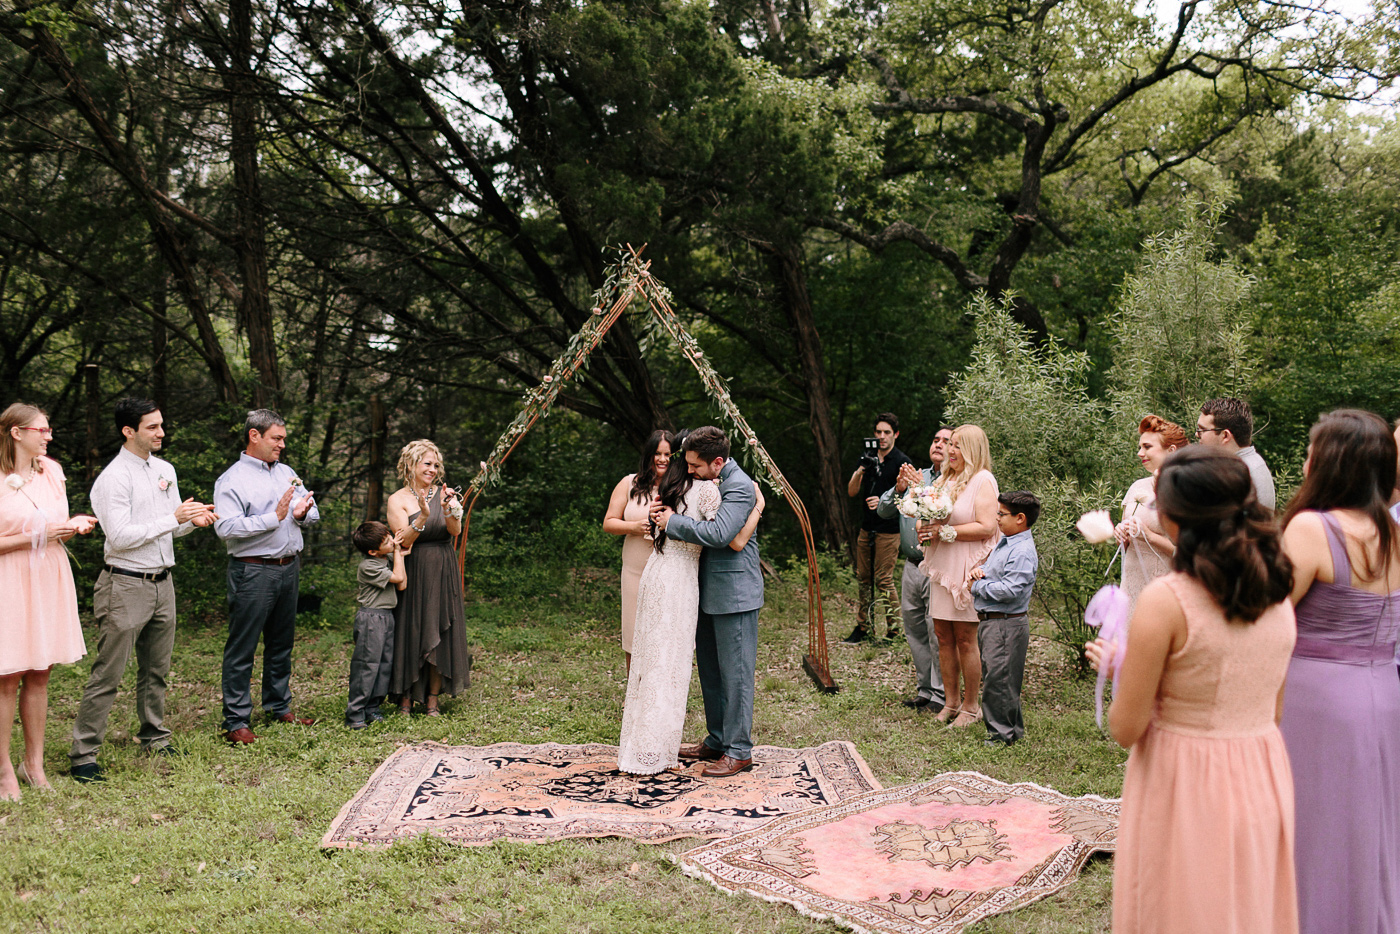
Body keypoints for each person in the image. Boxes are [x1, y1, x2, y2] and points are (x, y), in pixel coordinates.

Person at [1086, 446, 1297, 934]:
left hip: (1186, 780)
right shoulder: (1277, 591)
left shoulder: (1167, 600)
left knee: (1181, 908)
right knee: (1247, 911)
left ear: (1179, 520)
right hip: (1262, 770)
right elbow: (1268, 703)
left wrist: (1124, 671)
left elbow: (1125, 727)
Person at [1277, 409, 1400, 934]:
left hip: (1315, 696)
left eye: (1312, 450)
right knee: (1366, 826)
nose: (1305, 460)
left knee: (1314, 825)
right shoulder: (1391, 531)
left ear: (1331, 461)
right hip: (1381, 690)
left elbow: (1265, 615)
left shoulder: (1314, 527)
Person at [69, 398, 217, 783]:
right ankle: (84, 754)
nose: (161, 432)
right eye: (152, 427)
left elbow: (170, 525)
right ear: (128, 431)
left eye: (161, 425)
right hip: (125, 583)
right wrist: (173, 517)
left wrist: (193, 521)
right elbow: (118, 537)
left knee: (157, 669)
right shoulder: (113, 479)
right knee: (108, 674)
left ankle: (154, 735)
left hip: (162, 582)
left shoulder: (164, 469)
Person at [617, 430, 763, 775]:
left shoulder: (740, 486)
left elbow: (720, 535)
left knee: (736, 675)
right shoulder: (708, 480)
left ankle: (739, 750)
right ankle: (717, 740)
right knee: (711, 672)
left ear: (717, 462)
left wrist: (672, 521)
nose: (690, 470)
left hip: (734, 594)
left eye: (696, 465)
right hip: (700, 590)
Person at [0, 403, 96, 798]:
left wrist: (72, 525)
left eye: (50, 429)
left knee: (41, 672)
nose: (49, 435)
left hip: (48, 576)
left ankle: (33, 764)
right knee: (6, 677)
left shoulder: (52, 471)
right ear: (16, 433)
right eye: (42, 430)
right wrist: (38, 535)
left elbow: (53, 522)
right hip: (9, 578)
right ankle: (3, 769)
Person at [213, 409, 320, 745]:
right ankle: (236, 721)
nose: (282, 445)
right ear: (254, 436)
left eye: (283, 438)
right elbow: (225, 527)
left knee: (281, 643)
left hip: (289, 567)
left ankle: (278, 706)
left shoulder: (287, 473)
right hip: (253, 570)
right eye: (277, 438)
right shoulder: (231, 480)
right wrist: (271, 518)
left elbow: (311, 509)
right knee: (243, 647)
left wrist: (302, 515)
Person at [918, 424, 1000, 727]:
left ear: (972, 449)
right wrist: (924, 527)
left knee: (966, 639)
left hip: (967, 567)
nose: (950, 451)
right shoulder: (944, 479)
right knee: (942, 636)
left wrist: (945, 531)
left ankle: (970, 707)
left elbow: (987, 526)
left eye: (957, 445)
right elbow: (931, 517)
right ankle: (950, 702)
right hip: (942, 565)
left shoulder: (983, 481)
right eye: (950, 444)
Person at [388, 439, 471, 717]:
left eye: (436, 465)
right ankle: (407, 697)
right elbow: (404, 541)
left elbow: (455, 531)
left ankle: (433, 699)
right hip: (414, 569)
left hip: (443, 565)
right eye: (427, 463)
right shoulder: (398, 499)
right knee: (412, 629)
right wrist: (422, 515)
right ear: (411, 464)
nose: (433, 469)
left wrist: (450, 508)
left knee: (440, 628)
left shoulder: (444, 493)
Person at [877, 426, 953, 714]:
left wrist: (922, 488)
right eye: (935, 439)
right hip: (910, 565)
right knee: (915, 629)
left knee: (937, 631)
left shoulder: (954, 481)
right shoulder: (913, 476)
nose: (939, 445)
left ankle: (942, 693)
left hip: (939, 565)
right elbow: (884, 511)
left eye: (946, 441)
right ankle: (925, 689)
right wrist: (898, 488)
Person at [969, 490, 1040, 747]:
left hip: (1005, 623)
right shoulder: (1006, 542)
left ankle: (1000, 737)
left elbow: (1011, 590)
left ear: (1020, 518)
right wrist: (980, 572)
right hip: (994, 621)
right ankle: (1011, 731)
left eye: (1002, 514)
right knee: (999, 677)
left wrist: (976, 587)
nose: (997, 518)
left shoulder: (1021, 551)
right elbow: (992, 572)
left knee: (999, 681)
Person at [603, 429, 675, 675]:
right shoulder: (629, 483)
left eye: (667, 454)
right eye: (657, 453)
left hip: (667, 569)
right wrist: (633, 527)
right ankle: (634, 690)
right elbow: (609, 522)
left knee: (662, 631)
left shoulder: (679, 487)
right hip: (634, 569)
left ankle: (658, 691)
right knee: (633, 630)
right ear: (649, 455)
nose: (662, 459)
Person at [844, 413, 911, 643]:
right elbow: (852, 491)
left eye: (887, 433)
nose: (882, 437)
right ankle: (863, 627)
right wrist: (861, 469)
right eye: (878, 432)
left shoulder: (902, 462)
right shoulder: (868, 458)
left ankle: (894, 630)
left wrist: (885, 502)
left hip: (889, 530)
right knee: (863, 578)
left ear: (896, 435)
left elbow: (911, 500)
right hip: (866, 528)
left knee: (883, 579)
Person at [1116, 415, 1186, 610]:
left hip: (1163, 589)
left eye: (1147, 447)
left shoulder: (1184, 491)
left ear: (1171, 450)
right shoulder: (1137, 487)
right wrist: (1121, 534)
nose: (1140, 453)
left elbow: (1188, 553)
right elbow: (1125, 543)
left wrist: (1149, 536)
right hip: (1130, 586)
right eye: (1140, 447)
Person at [346, 520, 406, 729]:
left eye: (389, 537)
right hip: (371, 618)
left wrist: (397, 547)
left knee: (383, 665)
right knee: (367, 666)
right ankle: (355, 713)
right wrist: (397, 550)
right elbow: (399, 577)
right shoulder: (368, 566)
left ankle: (373, 706)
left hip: (387, 616)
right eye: (386, 542)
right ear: (372, 551)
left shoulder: (385, 557)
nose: (391, 542)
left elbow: (403, 563)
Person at [1196, 397, 1275, 510]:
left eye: (1202, 430)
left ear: (1225, 436)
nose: (1196, 434)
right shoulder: (1252, 464)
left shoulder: (1239, 475)